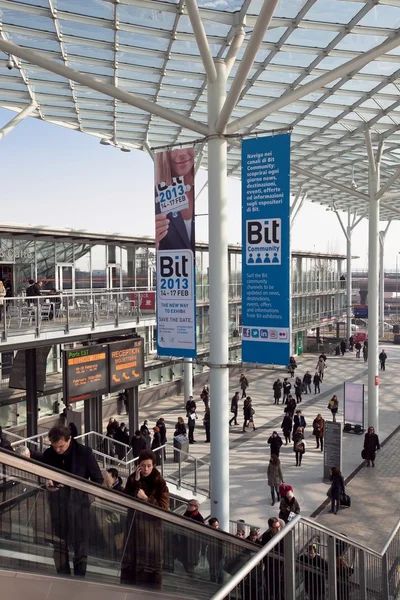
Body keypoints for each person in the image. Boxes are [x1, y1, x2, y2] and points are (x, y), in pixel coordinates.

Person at [42, 425, 103, 577]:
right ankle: (63, 578)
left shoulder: (84, 453)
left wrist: (88, 496)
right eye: (54, 446)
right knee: (59, 545)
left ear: (69, 439)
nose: (57, 450)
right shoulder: (49, 454)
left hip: (79, 508)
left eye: (61, 446)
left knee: (80, 547)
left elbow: (98, 479)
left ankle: (79, 578)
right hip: (58, 507)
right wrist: (46, 482)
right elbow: (42, 475)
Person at [121, 449, 169, 587]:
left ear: (153, 465)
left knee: (149, 570)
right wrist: (135, 483)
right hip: (133, 531)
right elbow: (124, 500)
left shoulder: (159, 483)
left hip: (151, 533)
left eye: (149, 466)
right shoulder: (132, 479)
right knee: (132, 568)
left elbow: (164, 508)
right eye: (143, 465)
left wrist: (147, 499)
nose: (146, 469)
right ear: (138, 465)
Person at [155, 148, 195, 253]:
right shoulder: (156, 199)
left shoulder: (213, 194)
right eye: (174, 149)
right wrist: (153, 241)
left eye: (187, 145)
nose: (181, 153)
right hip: (171, 266)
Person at [181, 499, 204, 576]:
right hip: (185, 541)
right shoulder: (187, 513)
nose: (188, 506)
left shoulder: (199, 517)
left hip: (193, 543)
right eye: (188, 504)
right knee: (185, 560)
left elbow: (201, 531)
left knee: (190, 561)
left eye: (190, 505)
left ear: (195, 507)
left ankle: (190, 576)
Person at [208, 518, 224, 583]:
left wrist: (222, 555)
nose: (216, 527)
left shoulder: (221, 533)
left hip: (219, 555)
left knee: (220, 572)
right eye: (214, 526)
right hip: (211, 555)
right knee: (212, 571)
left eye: (217, 525)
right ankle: (213, 584)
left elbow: (223, 546)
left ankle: (220, 586)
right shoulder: (208, 533)